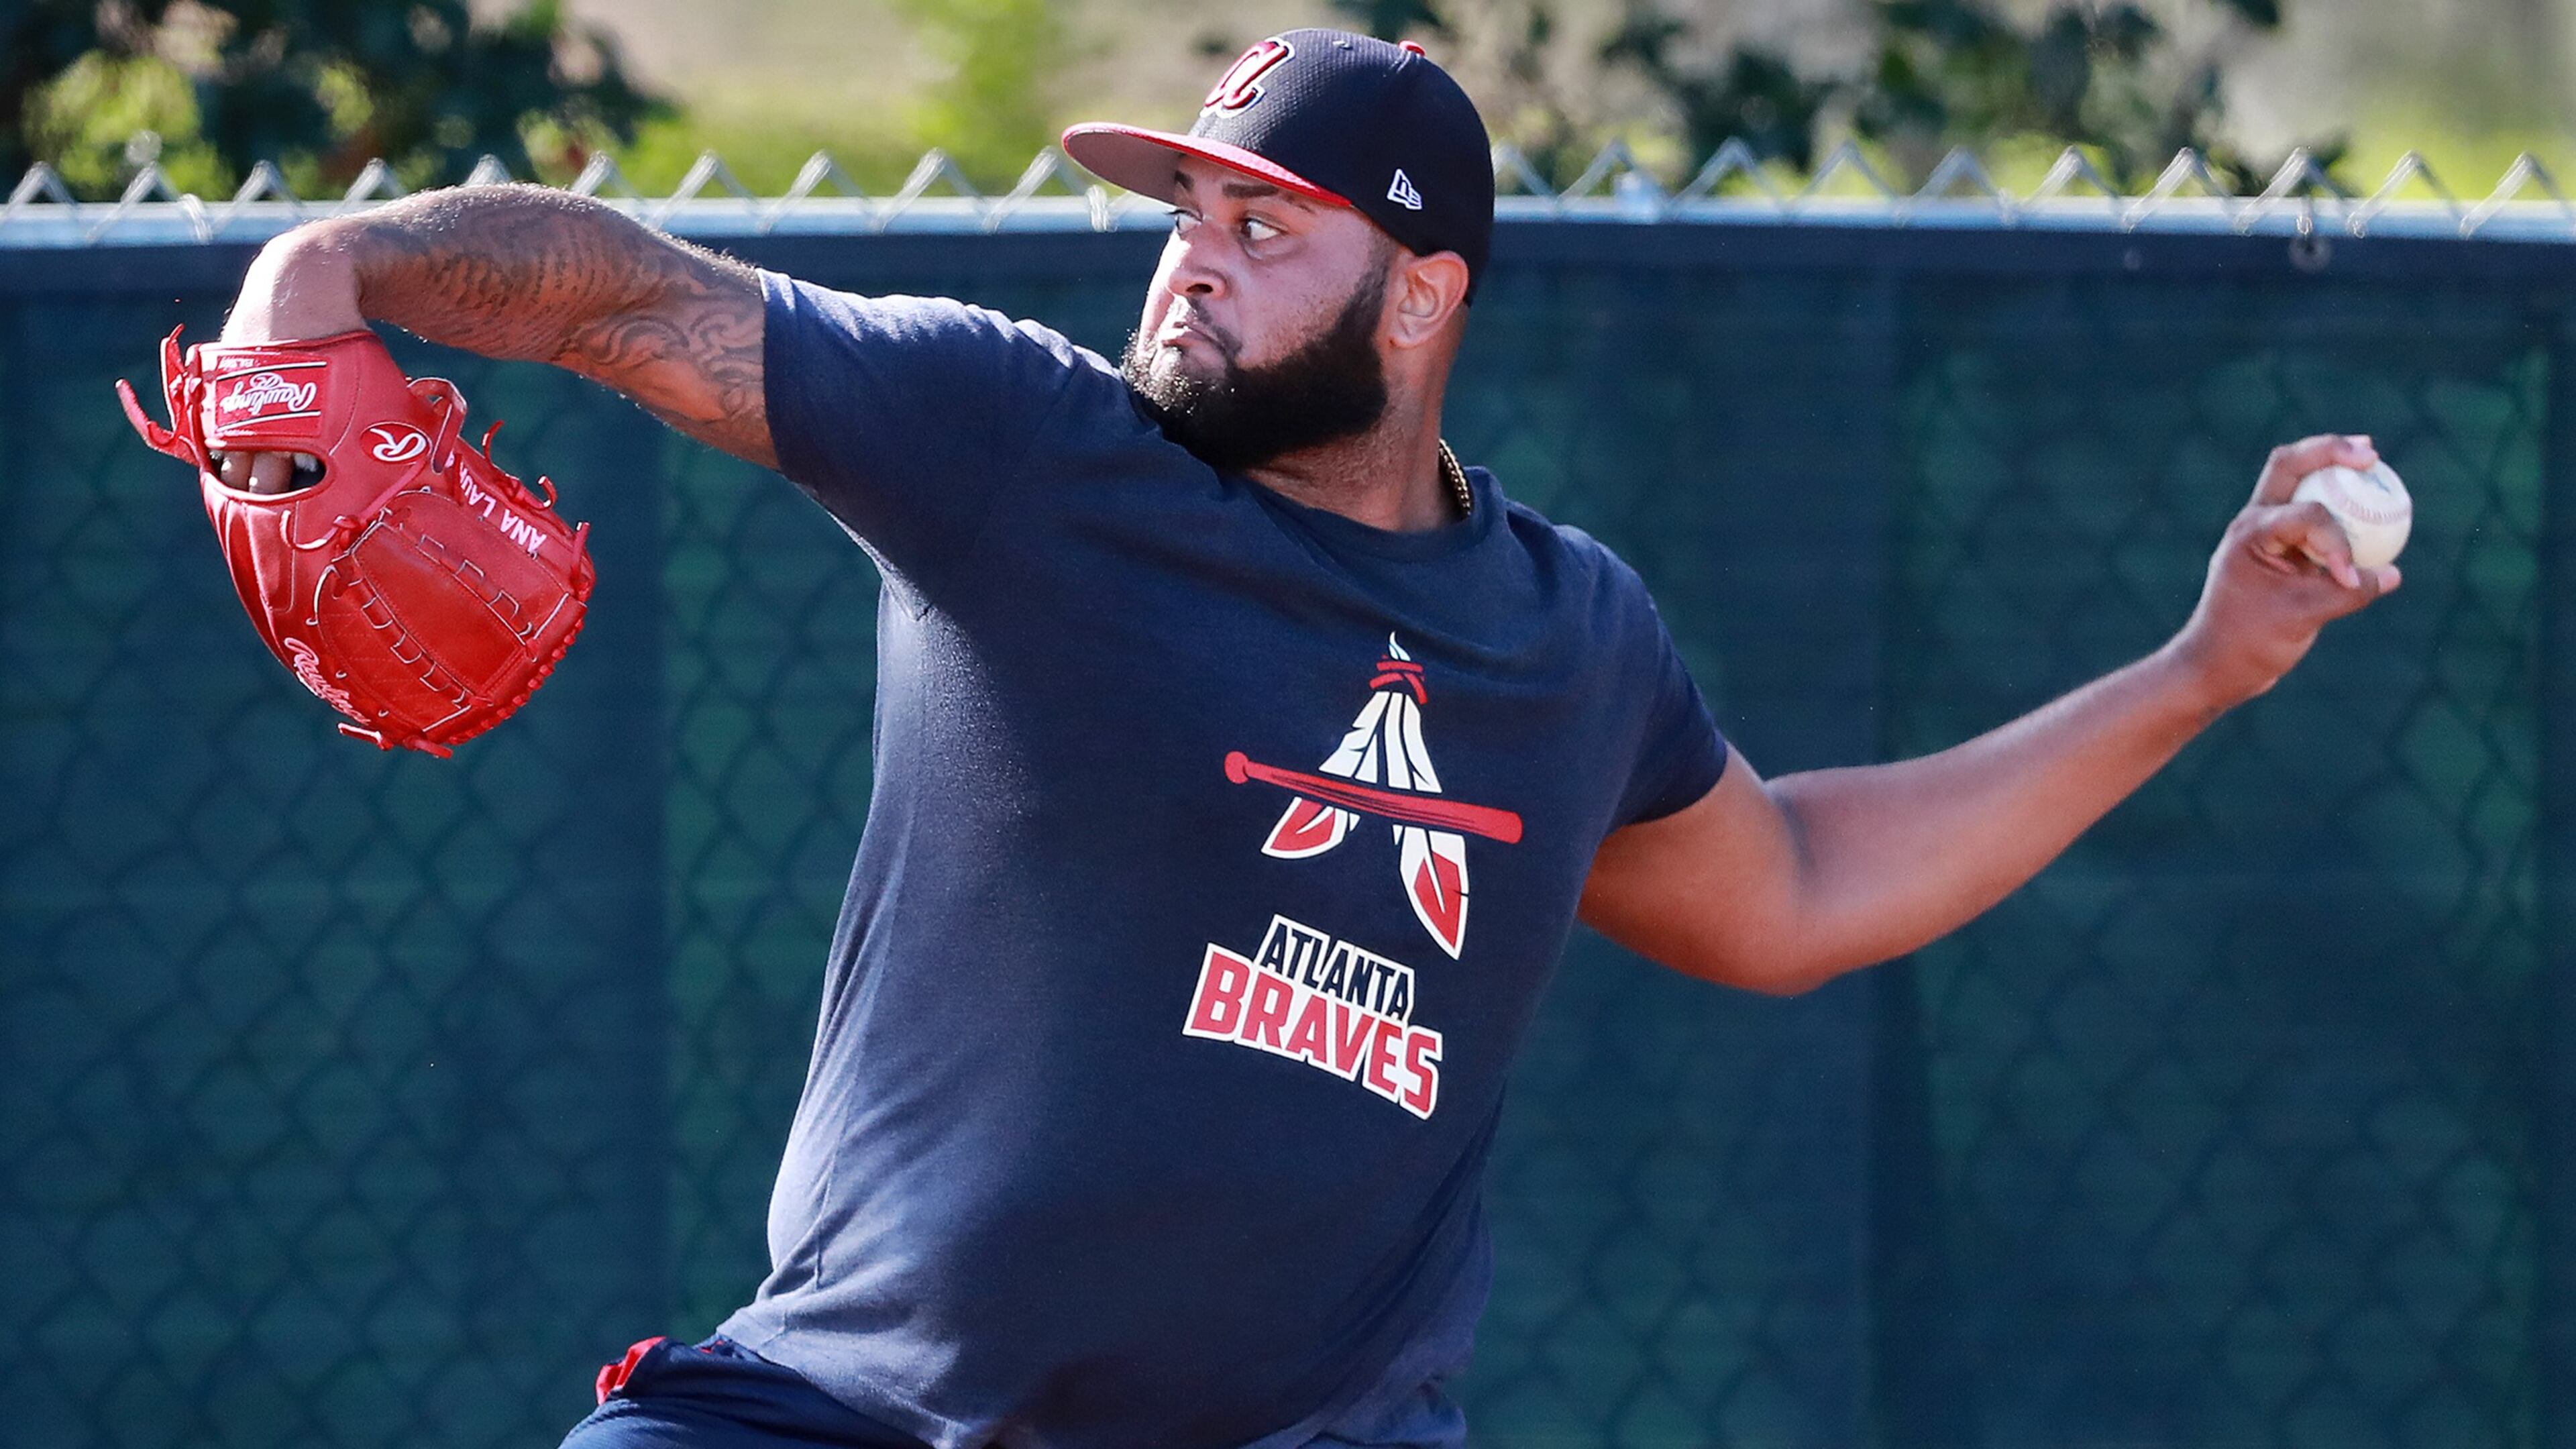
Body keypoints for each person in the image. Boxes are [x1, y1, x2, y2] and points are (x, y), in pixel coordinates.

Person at [207, 28, 2396, 1449]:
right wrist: (342, 261)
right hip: (854, 1409)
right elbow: (624, 292)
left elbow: (1798, 891)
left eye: (1266, 228)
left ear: (1423, 295)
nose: (1192, 265)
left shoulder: (1567, 640)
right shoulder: (1021, 449)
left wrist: (2201, 668)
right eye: (1185, 218)